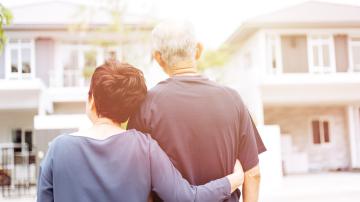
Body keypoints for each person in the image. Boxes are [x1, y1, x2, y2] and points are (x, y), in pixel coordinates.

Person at [37, 62, 244, 202]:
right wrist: (232, 180)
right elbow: (186, 198)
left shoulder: (58, 149)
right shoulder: (144, 148)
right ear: (130, 110)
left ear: (91, 99)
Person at [128, 20, 266, 202]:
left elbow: (138, 179)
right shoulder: (233, 99)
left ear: (158, 57)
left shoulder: (145, 106)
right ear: (199, 50)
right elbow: (253, 174)